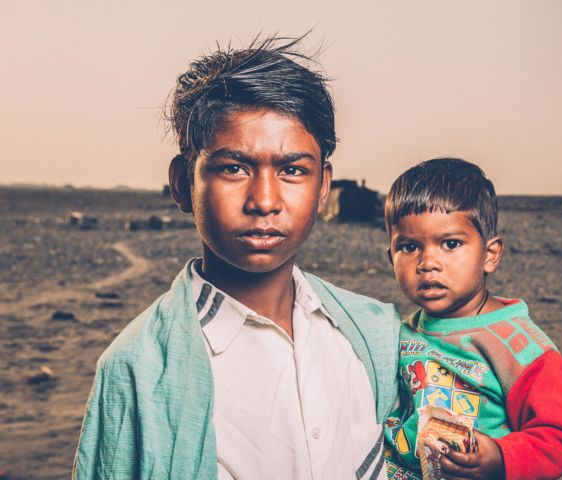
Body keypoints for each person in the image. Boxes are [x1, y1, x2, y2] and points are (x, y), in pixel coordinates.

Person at [72, 36, 400, 480]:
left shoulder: (374, 335)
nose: (265, 200)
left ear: (323, 187)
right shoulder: (137, 371)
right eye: (234, 168)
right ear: (183, 183)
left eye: (292, 170)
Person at [382, 158, 562, 480]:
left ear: (490, 255)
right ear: (390, 256)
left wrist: (500, 456)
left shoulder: (520, 348)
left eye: (450, 244)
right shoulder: (397, 332)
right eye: (409, 247)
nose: (427, 262)